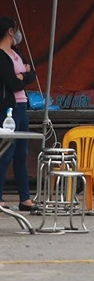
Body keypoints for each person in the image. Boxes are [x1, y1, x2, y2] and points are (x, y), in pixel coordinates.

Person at [0, 17, 39, 212]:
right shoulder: (1, 55)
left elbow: (31, 74)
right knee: (5, 152)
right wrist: (23, 76)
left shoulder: (16, 52)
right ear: (9, 31)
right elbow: (12, 83)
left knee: (21, 153)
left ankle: (25, 198)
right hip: (9, 108)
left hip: (23, 106)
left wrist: (23, 76)